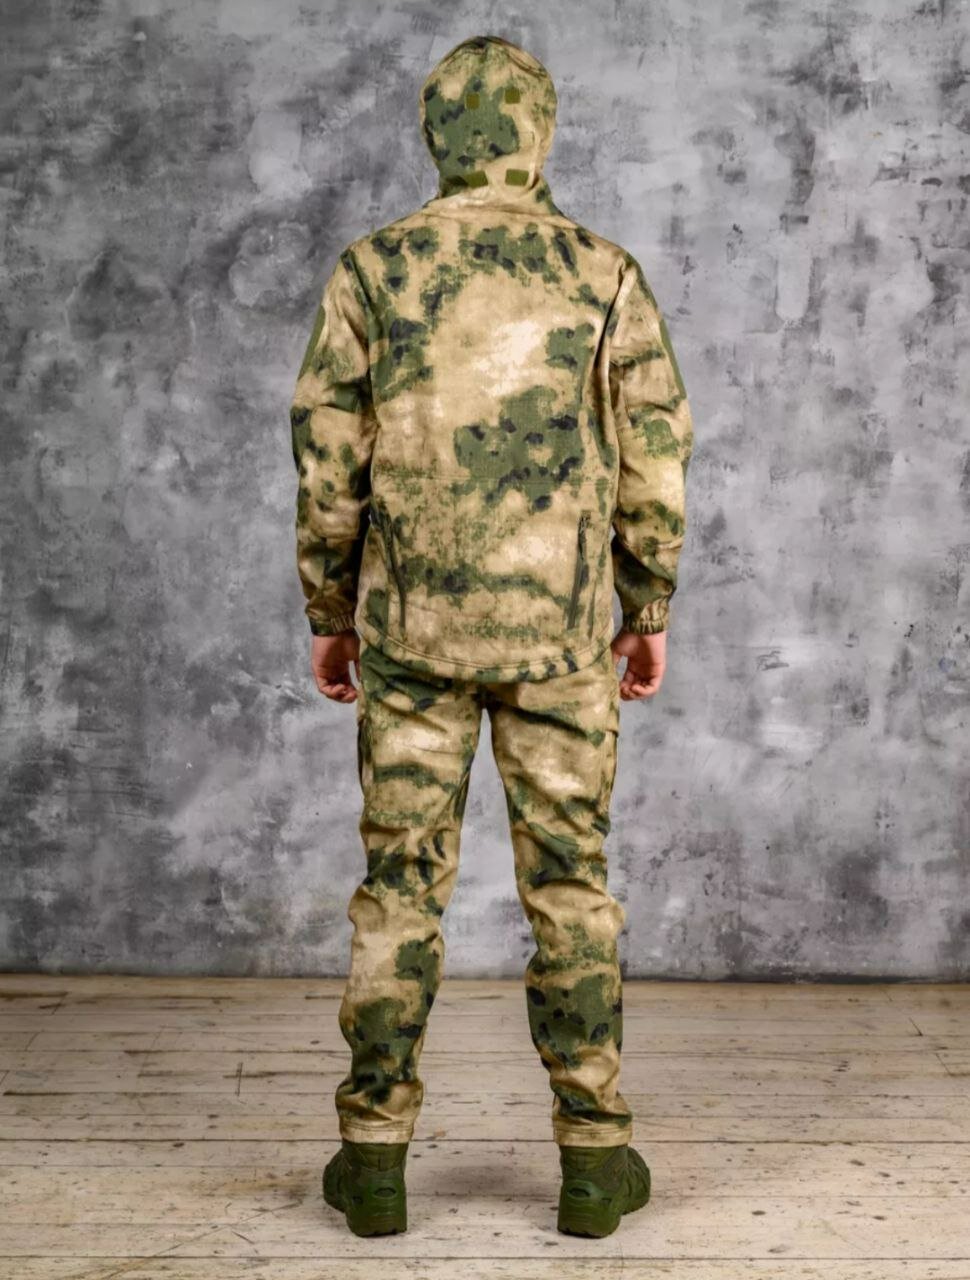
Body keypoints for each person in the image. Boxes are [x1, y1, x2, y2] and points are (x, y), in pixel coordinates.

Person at [288, 33, 693, 1239]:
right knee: (571, 886)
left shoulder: (373, 270)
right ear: (539, 134)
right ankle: (593, 1159)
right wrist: (645, 605)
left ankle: (371, 1156)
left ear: (436, 137)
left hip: (411, 633)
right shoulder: (602, 271)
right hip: (559, 635)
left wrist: (330, 610)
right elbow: (654, 451)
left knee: (398, 890)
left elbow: (326, 460)